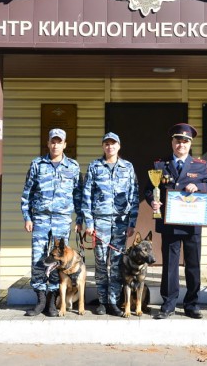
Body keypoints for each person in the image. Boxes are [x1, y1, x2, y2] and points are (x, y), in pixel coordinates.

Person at [145, 123, 207, 319]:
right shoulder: (160, 165)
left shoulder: (200, 166)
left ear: (190, 144)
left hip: (193, 224)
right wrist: (153, 201)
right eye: (178, 141)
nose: (181, 145)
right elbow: (148, 189)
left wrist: (198, 186)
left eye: (185, 141)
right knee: (169, 265)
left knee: (193, 265)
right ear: (172, 142)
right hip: (170, 224)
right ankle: (168, 304)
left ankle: (192, 304)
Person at [20, 128, 82, 317]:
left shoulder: (73, 166)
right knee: (39, 258)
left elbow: (78, 195)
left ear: (64, 144)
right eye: (52, 141)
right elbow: (27, 194)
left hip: (62, 220)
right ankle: (39, 300)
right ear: (48, 144)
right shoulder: (37, 164)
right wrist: (27, 217)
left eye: (59, 141)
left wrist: (79, 219)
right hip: (40, 219)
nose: (55, 145)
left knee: (58, 261)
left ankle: (53, 302)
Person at [79, 132, 139, 317]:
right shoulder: (95, 167)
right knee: (100, 262)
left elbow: (134, 195)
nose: (110, 147)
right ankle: (102, 301)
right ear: (103, 146)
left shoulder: (127, 167)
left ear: (119, 146)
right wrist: (88, 222)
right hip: (100, 221)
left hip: (121, 222)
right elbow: (86, 195)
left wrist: (132, 222)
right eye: (106, 144)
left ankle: (113, 301)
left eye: (113, 144)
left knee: (116, 263)